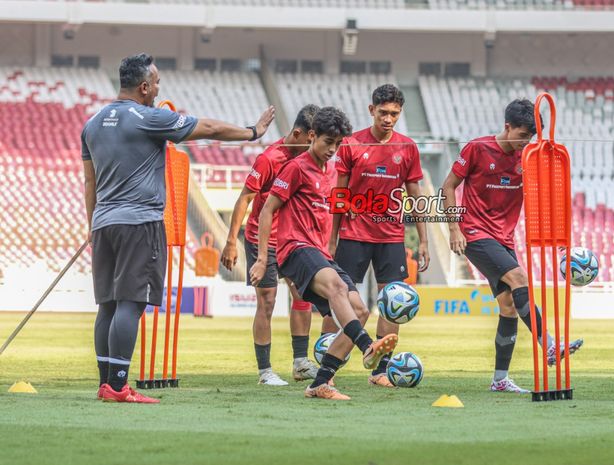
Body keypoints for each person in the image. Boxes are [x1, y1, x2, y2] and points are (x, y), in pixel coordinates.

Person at [82, 53, 275, 403]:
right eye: (155, 83)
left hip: (104, 223)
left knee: (107, 305)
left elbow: (89, 182)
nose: (158, 88)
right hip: (139, 223)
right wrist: (252, 132)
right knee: (131, 302)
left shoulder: (92, 123)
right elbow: (210, 129)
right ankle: (119, 387)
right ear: (143, 87)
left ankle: (106, 383)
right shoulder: (149, 117)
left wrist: (92, 223)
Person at [250, 107, 397, 401]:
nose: (332, 149)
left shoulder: (331, 170)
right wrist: (263, 258)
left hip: (318, 253)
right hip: (295, 249)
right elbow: (268, 210)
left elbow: (335, 204)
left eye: (338, 144)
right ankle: (367, 345)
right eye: (327, 142)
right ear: (312, 136)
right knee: (337, 287)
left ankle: (321, 381)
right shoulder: (295, 168)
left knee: (359, 310)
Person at [441, 99, 583, 394]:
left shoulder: (529, 157)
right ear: (507, 127)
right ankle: (549, 344)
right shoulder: (477, 149)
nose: (525, 142)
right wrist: (454, 228)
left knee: (508, 307)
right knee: (519, 279)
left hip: (504, 239)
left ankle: (499, 380)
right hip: (474, 233)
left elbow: (544, 197)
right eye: (521, 136)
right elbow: (448, 185)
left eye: (530, 138)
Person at [329, 84, 430, 388]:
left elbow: (415, 197)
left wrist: (423, 240)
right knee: (343, 300)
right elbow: (339, 193)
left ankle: (380, 371)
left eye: (394, 114)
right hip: (353, 235)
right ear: (371, 110)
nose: (388, 118)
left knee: (394, 304)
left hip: (390, 238)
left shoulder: (407, 148)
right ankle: (329, 363)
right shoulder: (350, 144)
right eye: (383, 112)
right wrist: (331, 238)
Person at [220, 104, 322, 386]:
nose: (313, 147)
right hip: (261, 239)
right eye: (310, 141)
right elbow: (245, 199)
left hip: (293, 239)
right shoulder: (270, 159)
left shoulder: (311, 160)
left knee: (303, 295)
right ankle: (265, 372)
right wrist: (231, 241)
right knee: (267, 302)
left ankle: (301, 363)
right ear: (299, 133)